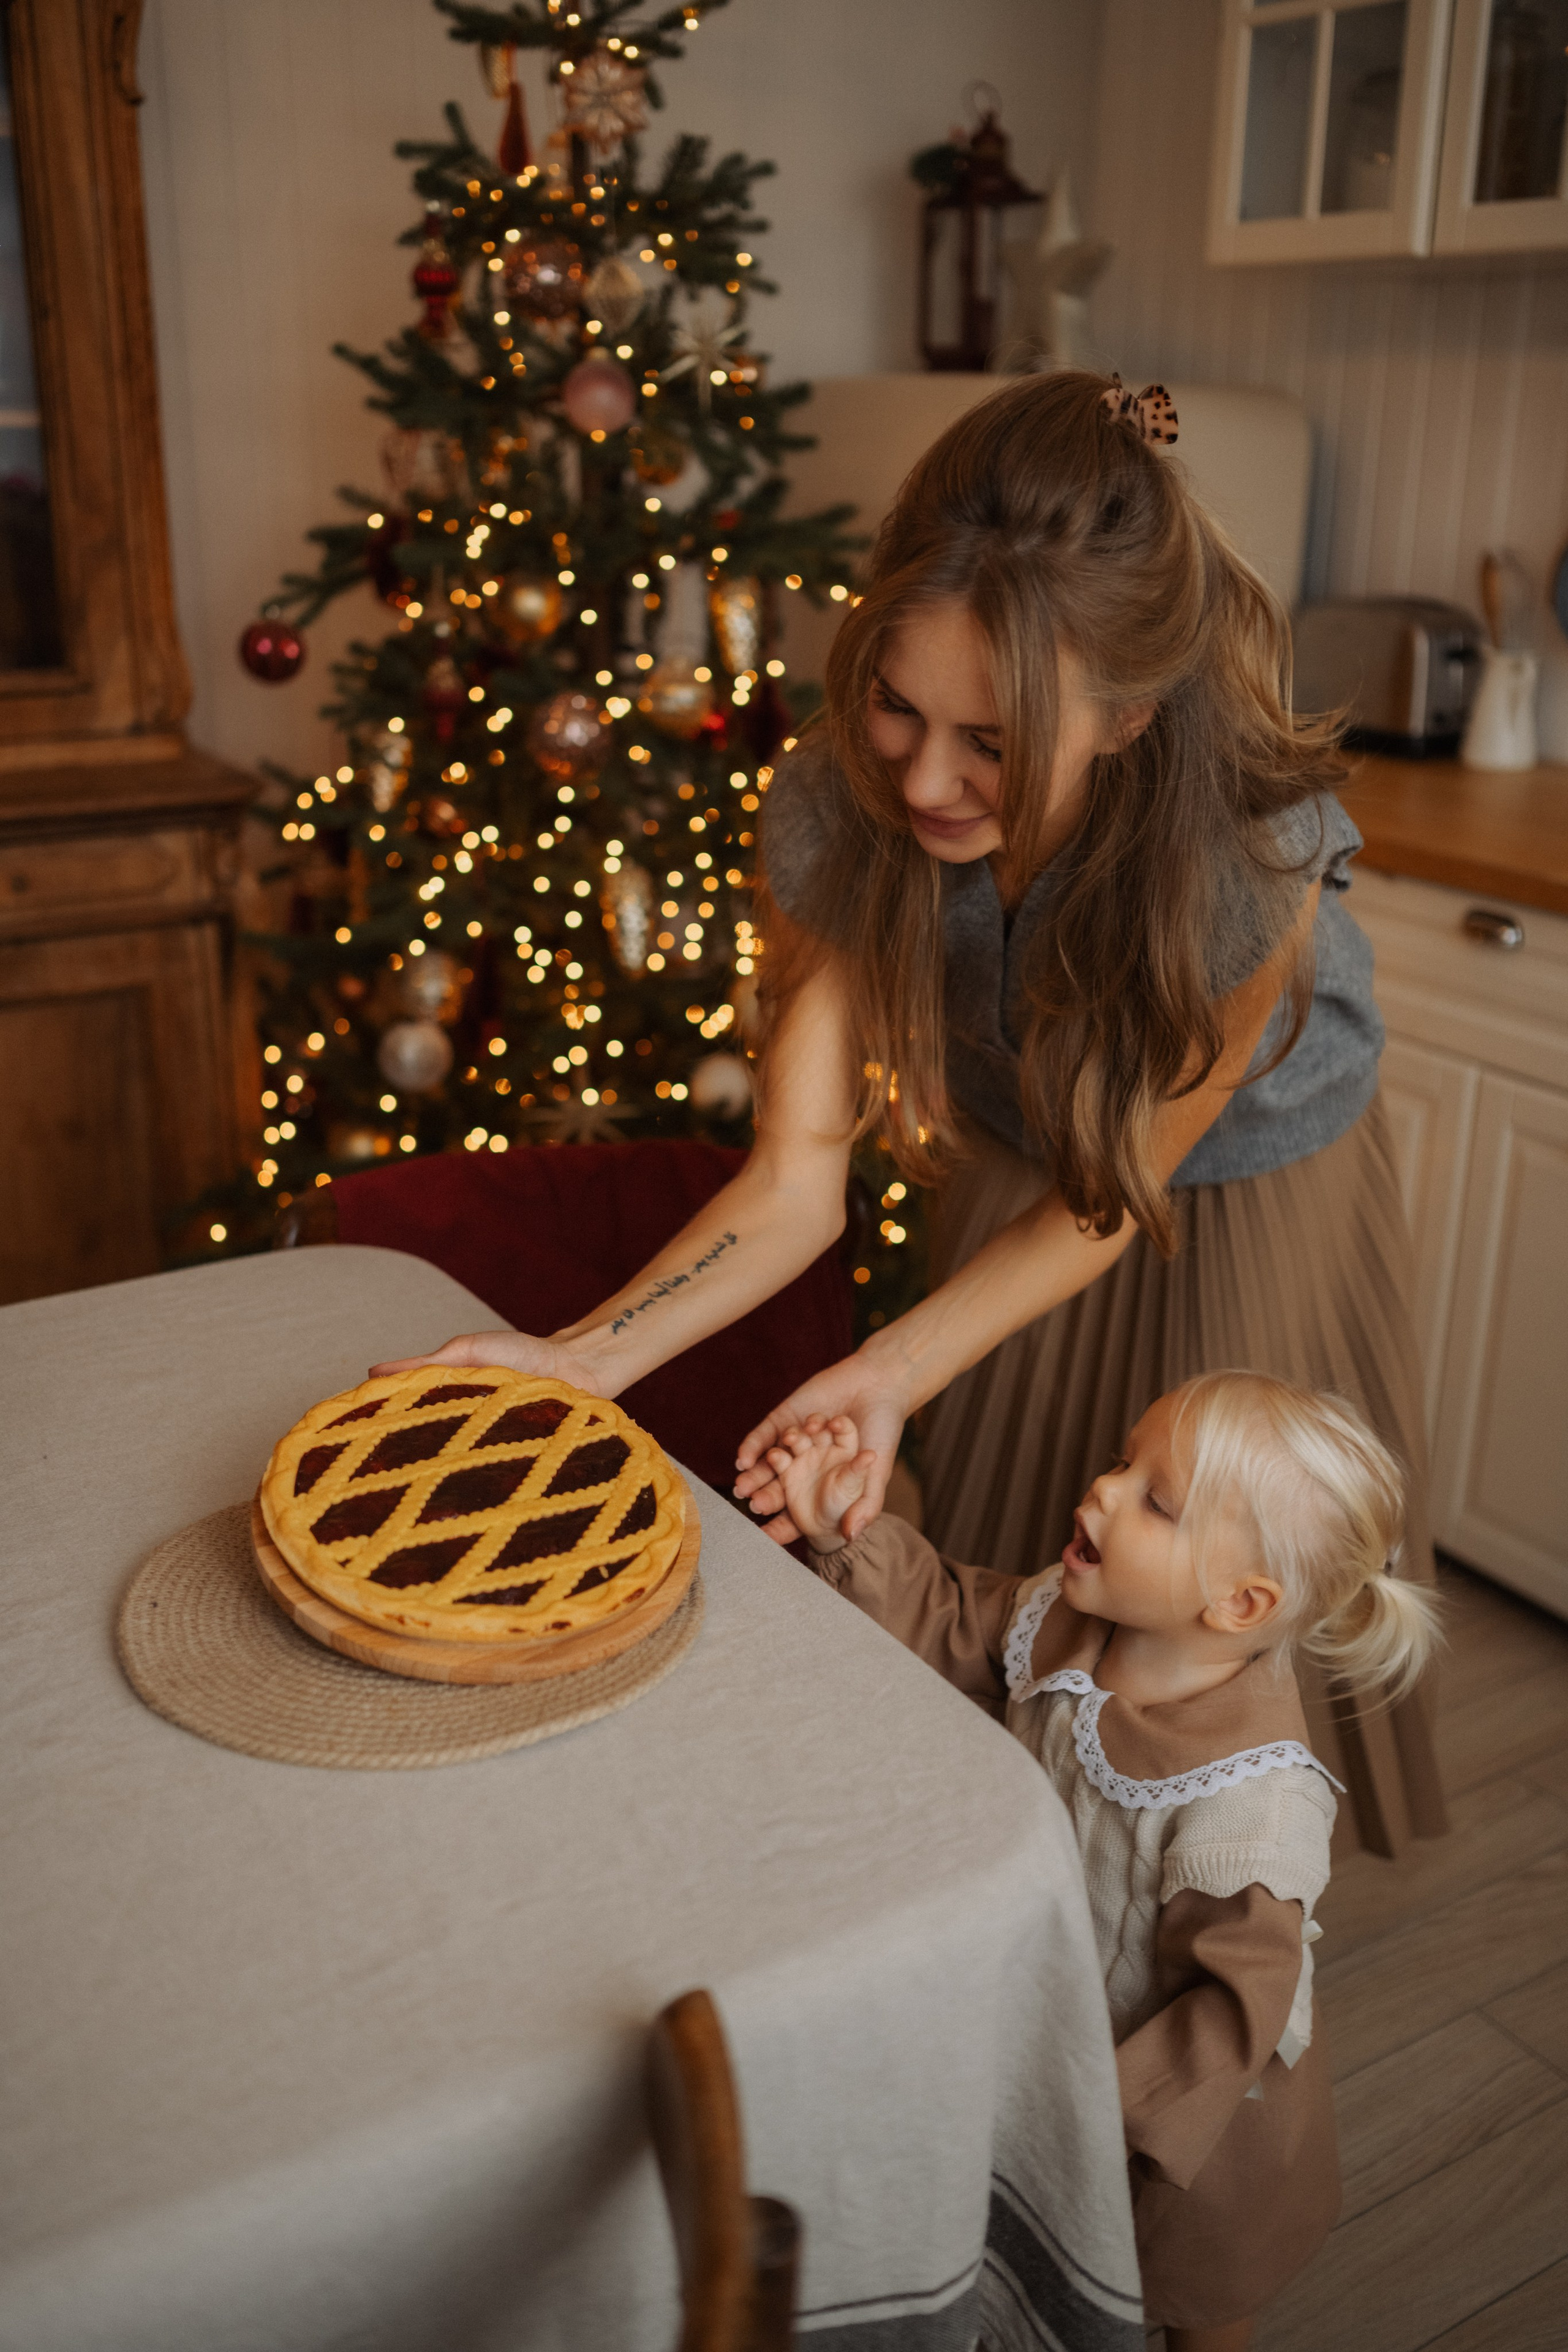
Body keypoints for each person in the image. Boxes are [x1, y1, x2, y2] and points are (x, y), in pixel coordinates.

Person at [376, 368, 1444, 1856]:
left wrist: (885, 1369)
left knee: (1196, 1585)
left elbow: (1109, 1192)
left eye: (992, 745)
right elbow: (795, 1176)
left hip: (1236, 1179)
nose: (925, 781)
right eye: (895, 706)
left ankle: (1206, 1895)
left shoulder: (1240, 870)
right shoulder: (837, 801)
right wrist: (579, 1361)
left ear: (1130, 716)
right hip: (1028, 1144)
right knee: (1021, 1559)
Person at [762, 1373, 1441, 2352]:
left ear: (1240, 1602)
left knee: (1192, 2285)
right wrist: (844, 1533)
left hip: (1180, 2120)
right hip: (1048, 2014)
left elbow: (1237, 2002)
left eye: (1155, 1501)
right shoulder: (1070, 1617)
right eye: (1126, 1461)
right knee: (1035, 2252)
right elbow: (958, 1620)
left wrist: (1088, 2113)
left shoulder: (1253, 1801)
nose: (1104, 1490)